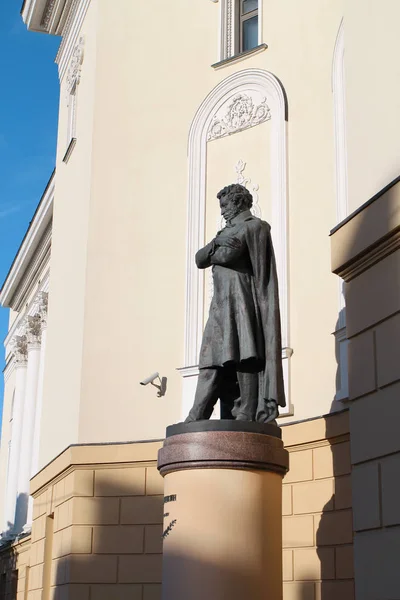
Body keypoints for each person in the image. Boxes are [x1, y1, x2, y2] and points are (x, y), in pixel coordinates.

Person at [185, 183, 285, 423]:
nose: (222, 211)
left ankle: (246, 413)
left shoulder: (255, 227)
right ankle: (197, 414)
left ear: (239, 202)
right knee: (210, 359)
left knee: (244, 356)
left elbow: (227, 256)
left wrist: (218, 249)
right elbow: (200, 258)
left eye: (225, 205)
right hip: (220, 306)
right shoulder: (224, 234)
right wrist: (218, 244)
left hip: (242, 302)